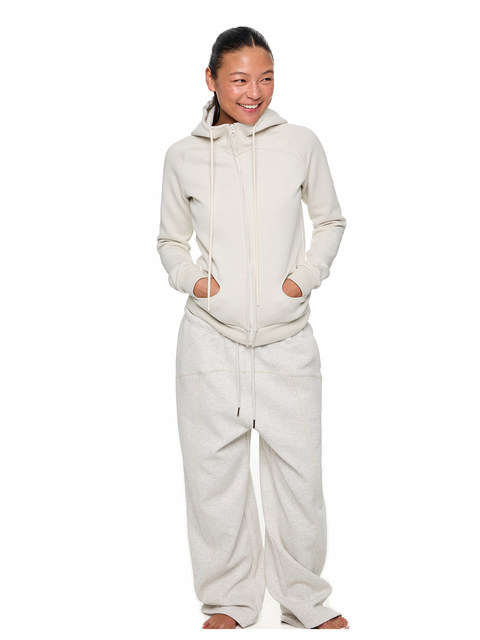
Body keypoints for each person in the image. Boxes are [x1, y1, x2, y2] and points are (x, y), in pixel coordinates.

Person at [157, 26, 349, 630]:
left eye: (265, 78)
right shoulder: (182, 156)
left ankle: (304, 600)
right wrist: (197, 283)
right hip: (209, 339)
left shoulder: (300, 143)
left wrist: (303, 279)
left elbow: (330, 220)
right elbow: (169, 240)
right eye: (239, 79)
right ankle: (229, 601)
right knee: (214, 478)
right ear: (211, 80)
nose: (254, 92)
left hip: (287, 338)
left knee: (299, 477)